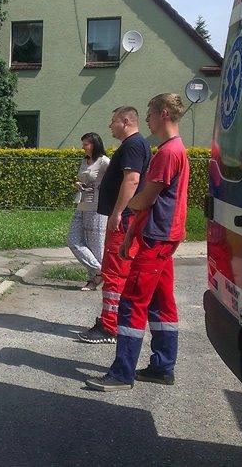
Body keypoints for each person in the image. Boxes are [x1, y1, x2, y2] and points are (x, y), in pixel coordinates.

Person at [86, 93, 190, 391]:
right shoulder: (173, 149)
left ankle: (122, 374)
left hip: (156, 238)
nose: (148, 119)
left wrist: (124, 211)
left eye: (151, 113)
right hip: (162, 236)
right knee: (161, 303)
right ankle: (161, 367)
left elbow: (145, 197)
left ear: (165, 114)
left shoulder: (168, 153)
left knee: (132, 302)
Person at [78, 106, 151, 345]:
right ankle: (112, 321)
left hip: (125, 218)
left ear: (126, 121)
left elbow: (132, 180)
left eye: (113, 121)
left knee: (115, 271)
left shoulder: (132, 145)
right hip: (125, 216)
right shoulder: (132, 145)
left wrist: (117, 212)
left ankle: (110, 327)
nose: (110, 126)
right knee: (115, 270)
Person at [67, 133, 111, 290]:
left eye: (86, 144)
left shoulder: (104, 161)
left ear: (95, 145)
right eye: (83, 144)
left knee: (96, 245)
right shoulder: (84, 161)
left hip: (97, 206)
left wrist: (101, 188)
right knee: (73, 240)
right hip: (82, 203)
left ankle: (93, 280)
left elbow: (115, 180)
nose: (83, 147)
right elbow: (83, 178)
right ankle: (99, 270)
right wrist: (79, 184)